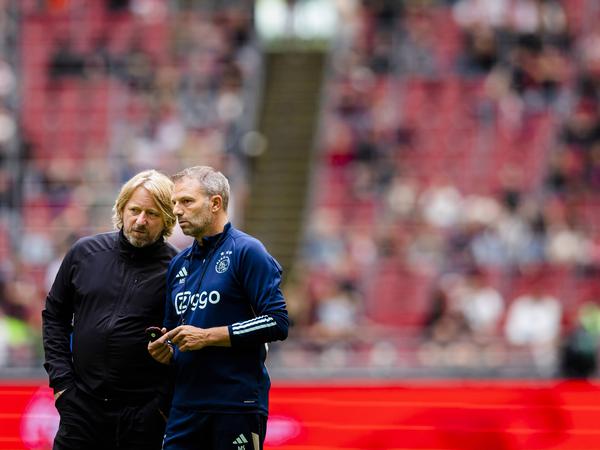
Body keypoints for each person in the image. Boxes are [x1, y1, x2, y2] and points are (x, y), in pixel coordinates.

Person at [148, 165, 289, 450]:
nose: (177, 211)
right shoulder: (178, 264)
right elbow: (178, 335)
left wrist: (208, 336)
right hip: (185, 407)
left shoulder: (247, 251)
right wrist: (165, 351)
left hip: (236, 404)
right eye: (175, 203)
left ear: (215, 203)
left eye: (187, 201)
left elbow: (277, 321)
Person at [42, 169, 179, 450]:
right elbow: (54, 317)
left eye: (151, 214)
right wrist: (62, 386)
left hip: (141, 417)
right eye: (135, 210)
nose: (140, 221)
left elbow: (184, 341)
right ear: (121, 208)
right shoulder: (84, 253)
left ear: (167, 218)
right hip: (80, 408)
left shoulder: (178, 270)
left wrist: (160, 407)